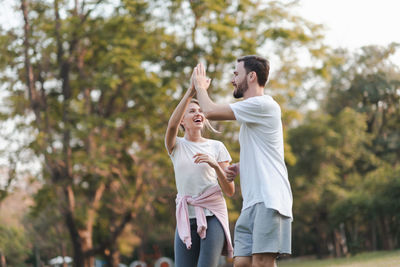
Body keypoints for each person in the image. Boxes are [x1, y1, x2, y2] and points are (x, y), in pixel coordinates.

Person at [192, 55, 293, 267]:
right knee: (242, 263)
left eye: (236, 74)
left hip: (270, 198)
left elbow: (209, 111)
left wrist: (200, 87)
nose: (232, 79)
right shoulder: (251, 114)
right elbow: (264, 151)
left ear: (252, 76)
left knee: (261, 263)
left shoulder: (264, 105)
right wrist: (240, 166)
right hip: (251, 201)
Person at [165, 72, 235, 267]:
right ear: (182, 121)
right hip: (186, 217)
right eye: (191, 111)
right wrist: (191, 90)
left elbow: (230, 191)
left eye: (200, 110)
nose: (198, 113)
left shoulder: (217, 147)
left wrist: (214, 165)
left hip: (213, 216)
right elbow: (170, 126)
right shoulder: (176, 146)